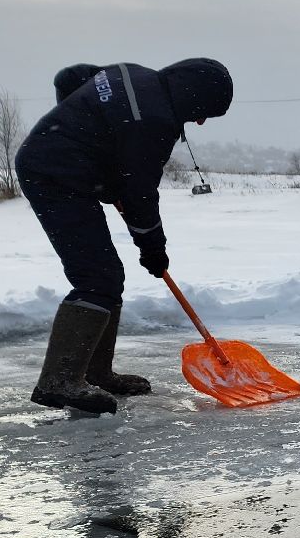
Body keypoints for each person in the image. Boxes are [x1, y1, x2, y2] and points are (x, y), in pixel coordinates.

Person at [14, 59, 234, 414]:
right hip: (54, 175)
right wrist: (153, 249)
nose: (199, 122)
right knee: (97, 276)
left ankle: (95, 372)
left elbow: (71, 77)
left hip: (56, 163)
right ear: (194, 99)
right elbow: (140, 194)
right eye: (202, 113)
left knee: (106, 274)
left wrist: (93, 142)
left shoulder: (132, 73)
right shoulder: (155, 123)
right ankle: (59, 381)